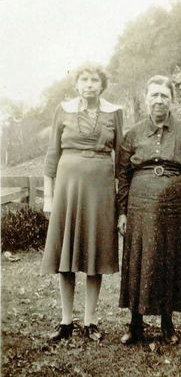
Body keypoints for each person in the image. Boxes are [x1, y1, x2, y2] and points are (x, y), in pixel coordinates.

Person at [117, 75, 181, 345]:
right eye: (153, 95)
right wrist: (122, 212)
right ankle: (135, 324)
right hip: (139, 206)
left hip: (175, 208)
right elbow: (122, 175)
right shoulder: (132, 135)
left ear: (172, 100)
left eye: (164, 96)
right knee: (138, 261)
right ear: (146, 99)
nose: (158, 100)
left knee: (170, 260)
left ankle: (167, 323)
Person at [41, 64, 123, 342]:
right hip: (67, 188)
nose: (89, 84)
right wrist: (49, 197)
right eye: (84, 80)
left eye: (95, 80)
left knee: (94, 254)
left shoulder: (114, 112)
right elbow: (52, 154)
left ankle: (90, 320)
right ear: (76, 84)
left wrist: (121, 204)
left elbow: (122, 160)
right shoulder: (63, 110)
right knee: (65, 254)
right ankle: (66, 321)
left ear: (102, 85)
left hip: (99, 191)